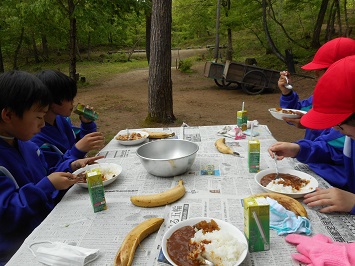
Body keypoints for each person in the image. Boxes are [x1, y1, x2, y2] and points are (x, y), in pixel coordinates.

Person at [0, 71, 102, 265]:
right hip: (18, 250)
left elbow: (48, 173)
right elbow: (6, 216)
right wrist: (47, 186)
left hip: (49, 228)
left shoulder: (28, 146)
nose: (42, 124)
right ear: (8, 115)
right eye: (38, 117)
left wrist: (71, 165)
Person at [269, 55, 355, 214]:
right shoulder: (351, 138)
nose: (335, 130)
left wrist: (353, 202)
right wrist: (299, 149)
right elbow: (332, 150)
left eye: (339, 125)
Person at [278, 37, 355, 140]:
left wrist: (312, 127)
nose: (315, 76)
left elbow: (332, 145)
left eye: (320, 71)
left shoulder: (349, 117)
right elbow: (296, 112)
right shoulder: (323, 97)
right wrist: (287, 93)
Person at [31, 70, 105, 169]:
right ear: (51, 102)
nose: (73, 102)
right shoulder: (37, 139)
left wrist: (87, 124)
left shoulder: (62, 120)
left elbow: (80, 142)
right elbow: (54, 171)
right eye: (69, 98)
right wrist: (77, 150)